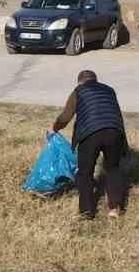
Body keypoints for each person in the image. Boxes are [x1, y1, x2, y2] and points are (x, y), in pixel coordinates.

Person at [49, 69, 126, 219]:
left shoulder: (79, 91)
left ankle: (87, 212)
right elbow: (116, 112)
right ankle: (114, 209)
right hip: (114, 130)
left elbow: (66, 116)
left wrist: (54, 127)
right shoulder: (109, 90)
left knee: (85, 173)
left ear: (80, 82)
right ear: (95, 80)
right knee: (112, 169)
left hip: (90, 133)